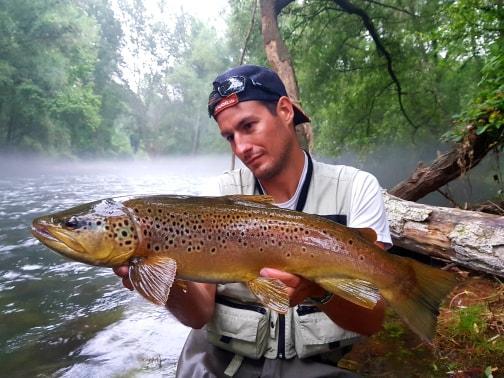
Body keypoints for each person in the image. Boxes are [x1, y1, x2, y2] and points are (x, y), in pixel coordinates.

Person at [114, 64, 392, 377]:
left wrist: (318, 291)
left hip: (316, 367)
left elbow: (372, 321)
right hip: (226, 364)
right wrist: (163, 281)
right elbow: (198, 315)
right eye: (230, 137)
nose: (241, 147)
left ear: (285, 110)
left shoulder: (355, 187)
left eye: (249, 126)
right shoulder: (217, 196)